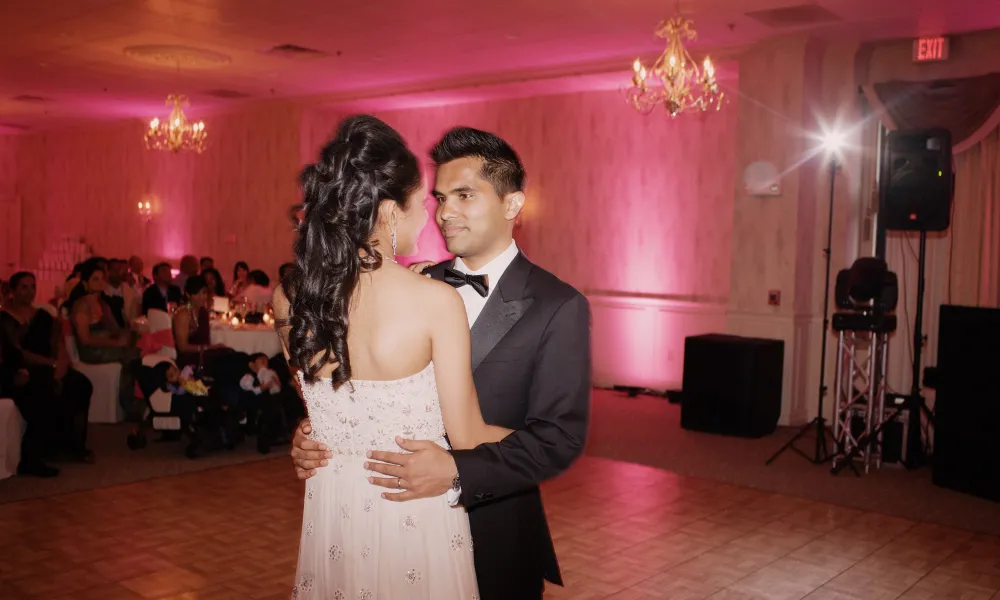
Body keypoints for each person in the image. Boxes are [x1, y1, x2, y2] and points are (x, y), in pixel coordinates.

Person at [291, 126, 592, 599]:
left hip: (494, 526)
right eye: (439, 197)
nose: (445, 212)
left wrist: (457, 469)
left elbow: (558, 441)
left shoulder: (558, 306)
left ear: (512, 205)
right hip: (381, 520)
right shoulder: (419, 284)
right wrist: (317, 435)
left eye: (464, 195)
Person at [276, 115, 513, 599]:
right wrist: (545, 436)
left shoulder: (290, 298)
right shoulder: (434, 303)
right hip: (412, 512)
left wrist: (305, 435)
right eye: (419, 203)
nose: (429, 217)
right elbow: (467, 436)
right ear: (388, 212)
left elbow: (323, 409)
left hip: (334, 515)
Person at [0, 272, 94, 463]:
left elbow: (58, 342)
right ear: (13, 291)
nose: (30, 292)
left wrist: (60, 363)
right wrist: (51, 364)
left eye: (32, 287)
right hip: (22, 368)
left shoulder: (42, 315)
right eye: (24, 287)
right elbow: (18, 353)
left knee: (81, 383)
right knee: (44, 388)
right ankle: (33, 455)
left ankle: (73, 444)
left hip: (49, 365)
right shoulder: (5, 318)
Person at [172, 275, 229, 370]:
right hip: (189, 358)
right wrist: (207, 348)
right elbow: (182, 347)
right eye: (197, 294)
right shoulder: (184, 314)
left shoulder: (203, 311)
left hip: (204, 354)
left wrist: (210, 348)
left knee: (230, 353)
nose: (202, 297)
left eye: (204, 293)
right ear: (188, 295)